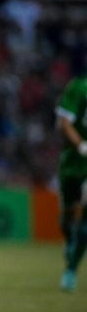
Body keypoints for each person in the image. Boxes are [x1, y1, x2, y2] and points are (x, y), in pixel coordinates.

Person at [55, 74, 87, 292]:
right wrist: (83, 146)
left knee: (85, 220)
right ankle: (69, 240)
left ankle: (71, 270)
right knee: (68, 215)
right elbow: (64, 124)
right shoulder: (78, 88)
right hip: (73, 164)